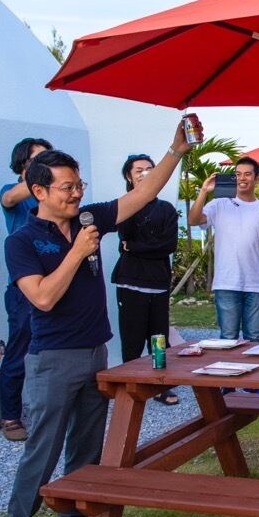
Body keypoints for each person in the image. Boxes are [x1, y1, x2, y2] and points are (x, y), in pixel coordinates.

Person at [0, 121, 190, 517]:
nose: (77, 194)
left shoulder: (90, 219)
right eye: (67, 187)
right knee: (42, 451)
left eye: (79, 184)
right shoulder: (21, 241)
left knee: (87, 446)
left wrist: (175, 151)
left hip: (94, 353)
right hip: (52, 358)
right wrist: (77, 251)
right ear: (39, 192)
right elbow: (43, 298)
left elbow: (142, 194)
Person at [189, 156, 259, 343]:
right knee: (227, 338)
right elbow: (193, 220)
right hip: (226, 283)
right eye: (238, 174)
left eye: (247, 174)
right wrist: (204, 191)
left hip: (255, 283)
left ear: (257, 178)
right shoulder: (219, 204)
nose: (242, 178)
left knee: (253, 338)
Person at [112, 153, 180, 405]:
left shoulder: (166, 209)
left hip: (158, 283)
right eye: (138, 170)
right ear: (129, 176)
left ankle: (160, 385)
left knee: (159, 339)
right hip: (130, 281)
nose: (144, 174)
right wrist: (139, 245)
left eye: (150, 169)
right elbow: (124, 236)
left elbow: (168, 245)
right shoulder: (124, 205)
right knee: (131, 339)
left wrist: (135, 247)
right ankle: (131, 387)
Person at [0, 137, 53, 441]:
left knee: (53, 350)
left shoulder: (52, 196)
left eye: (49, 157)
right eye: (38, 160)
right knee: (19, 350)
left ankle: (52, 409)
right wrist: (43, 176)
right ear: (22, 165)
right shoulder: (14, 192)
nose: (46, 164)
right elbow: (9, 198)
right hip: (23, 289)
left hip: (55, 285)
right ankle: (10, 417)